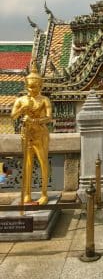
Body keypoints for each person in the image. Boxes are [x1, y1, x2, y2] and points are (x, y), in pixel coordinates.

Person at [11, 60, 52, 205]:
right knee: (27, 164)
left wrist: (35, 121)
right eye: (29, 87)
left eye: (34, 87)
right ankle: (27, 194)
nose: (31, 90)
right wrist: (23, 109)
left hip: (40, 133)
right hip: (26, 134)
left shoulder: (44, 100)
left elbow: (49, 117)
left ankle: (44, 193)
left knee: (42, 163)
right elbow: (13, 116)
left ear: (40, 86)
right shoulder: (21, 100)